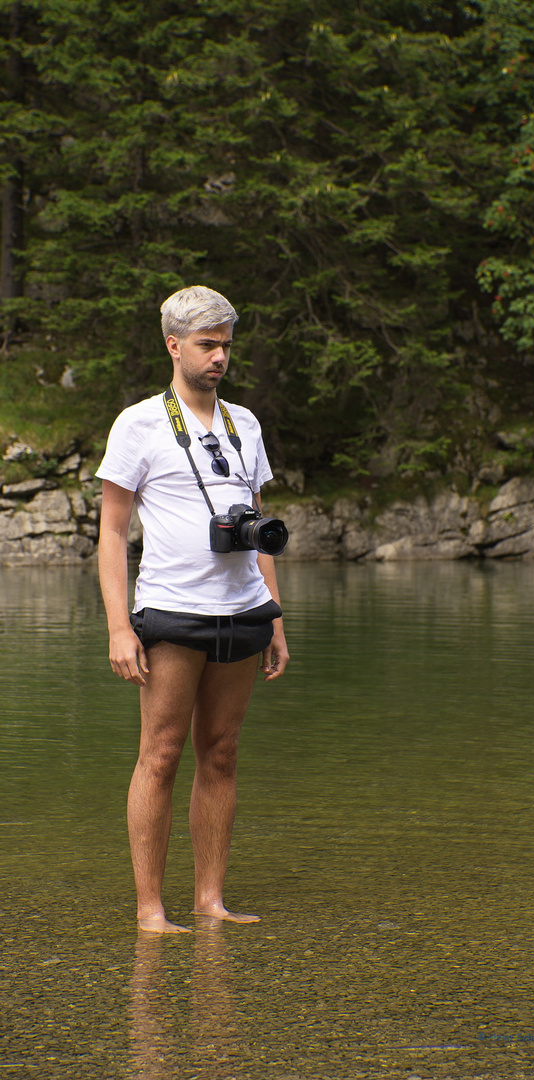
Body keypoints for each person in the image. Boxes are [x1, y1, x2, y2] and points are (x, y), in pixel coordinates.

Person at [97, 285, 289, 933]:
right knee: (161, 753)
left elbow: (259, 523)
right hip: (171, 611)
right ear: (173, 345)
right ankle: (150, 909)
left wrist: (275, 613)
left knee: (223, 751)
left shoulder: (245, 423)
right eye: (206, 346)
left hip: (243, 610)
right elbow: (111, 533)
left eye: (226, 346)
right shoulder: (138, 423)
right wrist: (120, 628)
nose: (218, 358)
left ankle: (210, 900)